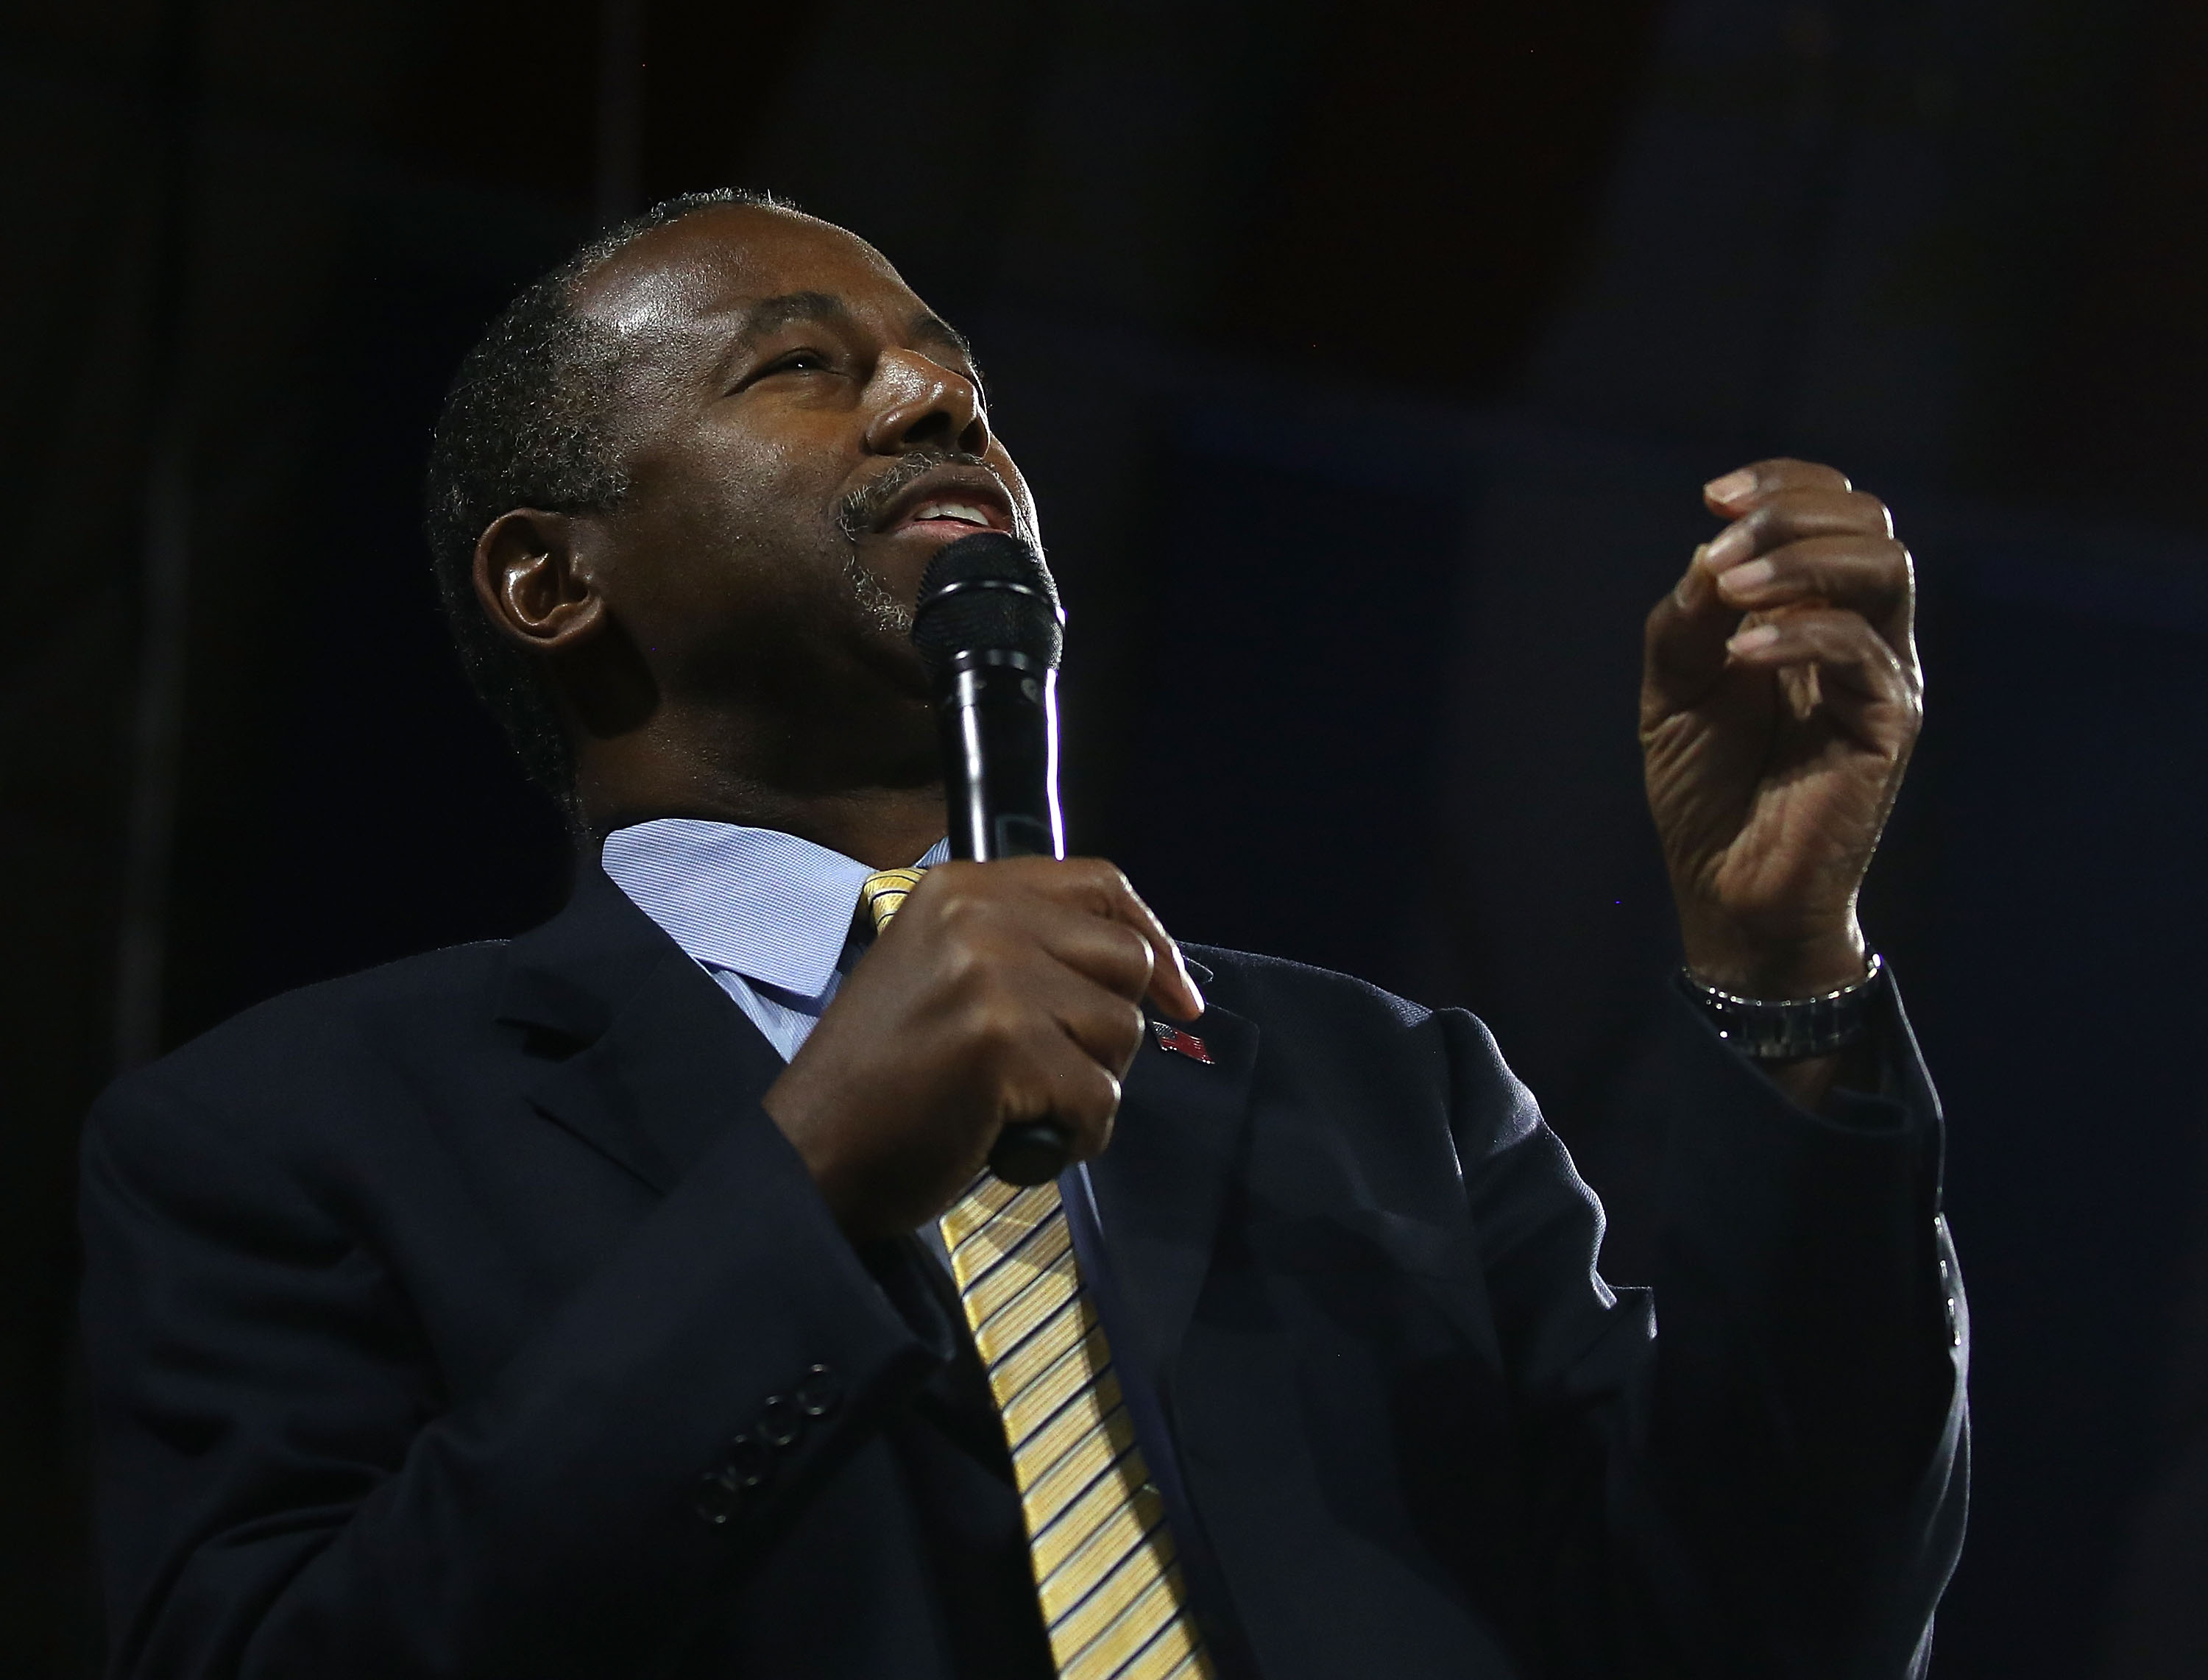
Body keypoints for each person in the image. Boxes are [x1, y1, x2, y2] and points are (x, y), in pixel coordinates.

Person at [79, 188, 1966, 1680]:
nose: (937, 397)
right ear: (553, 578)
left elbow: (1782, 1624)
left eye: (952, 363)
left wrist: (1783, 959)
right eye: (801, 366)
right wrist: (805, 1184)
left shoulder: (1387, 1090)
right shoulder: (291, 1133)